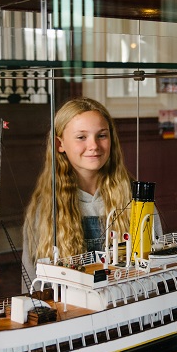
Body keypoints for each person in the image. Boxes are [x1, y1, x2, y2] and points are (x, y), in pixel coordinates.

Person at [22, 97, 160, 284]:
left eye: (101, 135)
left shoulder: (136, 199)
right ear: (59, 144)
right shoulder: (45, 209)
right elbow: (32, 282)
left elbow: (156, 261)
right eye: (81, 137)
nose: (93, 146)